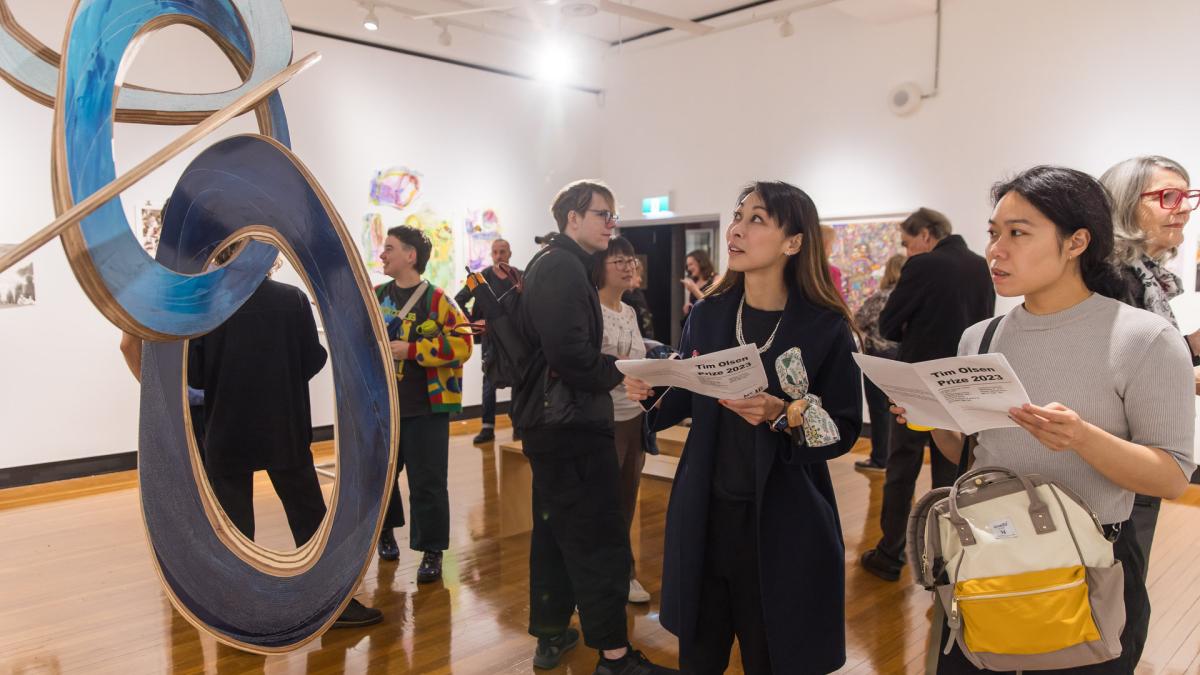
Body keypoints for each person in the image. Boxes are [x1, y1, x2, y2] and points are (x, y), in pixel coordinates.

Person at [894, 165, 1195, 673]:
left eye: (1018, 233)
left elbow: (1170, 476)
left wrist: (1082, 438)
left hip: (1082, 573)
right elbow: (970, 453)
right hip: (985, 559)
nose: (996, 250)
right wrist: (934, 418)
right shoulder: (980, 338)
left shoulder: (1143, 338)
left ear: (1077, 241)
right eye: (994, 233)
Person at [627, 181, 864, 674]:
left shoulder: (824, 326)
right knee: (700, 655)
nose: (736, 228)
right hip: (705, 514)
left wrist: (782, 412)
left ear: (793, 242)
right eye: (738, 216)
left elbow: (842, 429)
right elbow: (686, 394)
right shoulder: (710, 314)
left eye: (757, 219)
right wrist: (652, 390)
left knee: (772, 656)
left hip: (784, 522)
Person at [511, 180, 674, 674]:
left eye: (612, 215)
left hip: (555, 423)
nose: (610, 224)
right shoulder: (561, 267)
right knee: (599, 537)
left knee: (556, 532)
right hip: (570, 425)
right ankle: (615, 657)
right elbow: (574, 358)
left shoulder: (554, 264)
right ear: (572, 218)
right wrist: (626, 376)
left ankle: (553, 633)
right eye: (601, 214)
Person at [187, 243, 382, 628]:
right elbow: (314, 359)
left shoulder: (208, 306)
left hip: (228, 430)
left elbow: (194, 377)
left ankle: (240, 613)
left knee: (235, 526)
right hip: (285, 426)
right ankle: (333, 604)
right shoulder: (291, 299)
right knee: (309, 516)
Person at [859, 207, 994, 582]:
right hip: (963, 383)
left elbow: (888, 324)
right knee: (951, 473)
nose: (907, 249)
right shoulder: (981, 266)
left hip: (919, 382)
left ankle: (890, 554)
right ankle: (946, 561)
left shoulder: (922, 266)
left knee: (902, 466)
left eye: (907, 241)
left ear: (925, 235)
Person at [1099, 155, 1200, 569]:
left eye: (1188, 196)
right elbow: (1112, 375)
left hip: (1144, 458)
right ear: (1125, 205)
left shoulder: (1155, 281)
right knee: (1120, 592)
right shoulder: (1112, 280)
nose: (1185, 208)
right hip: (1115, 462)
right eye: (1168, 196)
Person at [374, 226, 473, 584]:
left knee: (429, 482)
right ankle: (384, 533)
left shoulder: (438, 300)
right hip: (384, 410)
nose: (382, 255)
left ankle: (432, 551)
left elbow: (463, 344)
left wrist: (413, 351)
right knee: (380, 478)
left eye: (389, 248)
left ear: (411, 256)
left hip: (428, 409)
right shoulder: (376, 296)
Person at [593, 236, 652, 605]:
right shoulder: (590, 311)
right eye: (619, 260)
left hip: (633, 418)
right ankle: (603, 575)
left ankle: (624, 571)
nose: (629, 265)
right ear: (601, 267)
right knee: (603, 502)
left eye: (631, 258)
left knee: (627, 499)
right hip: (603, 421)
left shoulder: (628, 311)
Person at [455, 238, 521, 445]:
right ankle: (487, 427)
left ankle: (519, 424)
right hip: (491, 337)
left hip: (516, 336)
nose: (499, 255)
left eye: (503, 251)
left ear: (510, 253)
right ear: (491, 254)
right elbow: (458, 300)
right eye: (495, 252)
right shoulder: (482, 277)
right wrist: (475, 323)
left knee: (520, 378)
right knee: (489, 379)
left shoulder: (518, 276)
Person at [852, 253, 906, 472]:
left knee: (879, 411)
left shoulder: (880, 297)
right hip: (902, 360)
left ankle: (879, 459)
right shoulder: (910, 297)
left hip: (877, 360)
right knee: (902, 412)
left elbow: (858, 320)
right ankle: (898, 461)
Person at [680, 249, 715, 320]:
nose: (689, 268)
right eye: (687, 266)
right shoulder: (694, 281)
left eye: (691, 264)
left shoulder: (715, 279)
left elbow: (712, 307)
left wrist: (694, 289)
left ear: (701, 262)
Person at [820, 223, 846, 300]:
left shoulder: (796, 270)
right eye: (830, 246)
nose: (831, 251)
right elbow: (838, 302)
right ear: (823, 247)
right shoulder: (832, 272)